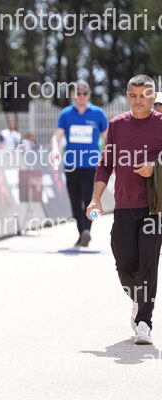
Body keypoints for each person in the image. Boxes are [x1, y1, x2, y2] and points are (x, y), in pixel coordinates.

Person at [87, 74, 162, 345]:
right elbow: (105, 164)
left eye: (144, 95)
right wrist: (95, 199)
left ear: (154, 96)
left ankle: (144, 322)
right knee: (125, 265)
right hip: (124, 206)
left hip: (154, 208)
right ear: (127, 97)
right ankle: (138, 300)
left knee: (148, 265)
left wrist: (155, 166)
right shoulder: (117, 125)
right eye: (133, 96)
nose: (138, 100)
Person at [51, 80, 108, 247]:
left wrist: (111, 155)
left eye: (85, 93)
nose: (81, 96)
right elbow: (57, 135)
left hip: (92, 165)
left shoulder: (98, 113)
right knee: (75, 202)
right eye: (78, 93)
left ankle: (87, 230)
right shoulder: (66, 114)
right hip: (71, 165)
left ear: (89, 95)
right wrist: (55, 149)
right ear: (72, 95)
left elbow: (107, 137)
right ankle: (81, 232)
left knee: (90, 201)